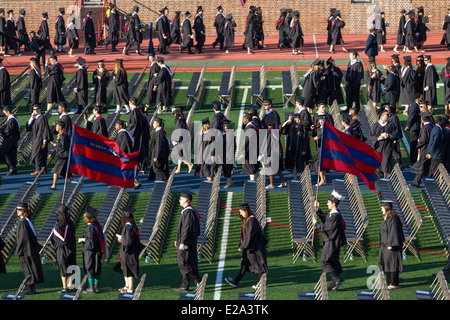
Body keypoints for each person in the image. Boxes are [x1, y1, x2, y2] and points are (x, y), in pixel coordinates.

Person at [225, 203, 268, 288]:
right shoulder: (249, 220)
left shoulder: (251, 220)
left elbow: (250, 235)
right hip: (251, 247)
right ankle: (235, 281)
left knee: (259, 265)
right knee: (245, 264)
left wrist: (243, 246)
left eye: (241, 212)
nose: (240, 214)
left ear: (246, 211)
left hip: (254, 248)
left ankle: (263, 284)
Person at [313, 191, 346, 291]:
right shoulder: (333, 215)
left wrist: (316, 224)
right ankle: (334, 283)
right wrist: (318, 209)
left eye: (328, 202)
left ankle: (337, 279)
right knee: (332, 261)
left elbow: (326, 227)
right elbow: (326, 219)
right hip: (332, 242)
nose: (327, 204)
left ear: (333, 204)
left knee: (324, 261)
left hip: (331, 242)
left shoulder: (334, 216)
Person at [15, 202, 45, 295]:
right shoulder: (28, 221)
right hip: (30, 249)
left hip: (25, 250)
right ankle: (32, 289)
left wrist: (19, 250)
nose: (17, 211)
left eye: (19, 209)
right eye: (17, 209)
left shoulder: (24, 223)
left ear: (24, 211)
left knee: (28, 269)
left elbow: (23, 239)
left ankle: (31, 289)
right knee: (31, 268)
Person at [175, 191, 202, 292]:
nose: (179, 201)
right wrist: (178, 240)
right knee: (189, 263)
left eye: (181, 199)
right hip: (187, 241)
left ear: (186, 200)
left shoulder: (189, 212)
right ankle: (185, 285)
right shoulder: (188, 211)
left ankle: (198, 281)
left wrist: (183, 242)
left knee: (183, 263)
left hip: (187, 242)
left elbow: (187, 228)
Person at [378, 200, 405, 290]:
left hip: (391, 245)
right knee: (387, 263)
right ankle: (389, 281)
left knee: (393, 263)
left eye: (382, 207)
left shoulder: (394, 218)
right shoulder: (387, 217)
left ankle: (394, 283)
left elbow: (394, 232)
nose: (381, 209)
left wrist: (391, 245)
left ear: (386, 208)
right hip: (385, 245)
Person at [116, 207, 142, 294]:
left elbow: (127, 242)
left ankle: (130, 288)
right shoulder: (133, 227)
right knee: (125, 268)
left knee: (129, 269)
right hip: (131, 251)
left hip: (128, 252)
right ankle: (126, 286)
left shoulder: (127, 228)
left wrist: (121, 240)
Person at [78, 206, 104, 294]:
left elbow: (91, 242)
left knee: (90, 268)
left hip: (91, 252)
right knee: (97, 268)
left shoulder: (90, 228)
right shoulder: (97, 226)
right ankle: (97, 287)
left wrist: (82, 239)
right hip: (98, 251)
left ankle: (91, 288)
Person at [52, 204, 76, 293]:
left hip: (62, 250)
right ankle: (70, 286)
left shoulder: (58, 226)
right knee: (70, 266)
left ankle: (65, 287)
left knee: (63, 267)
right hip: (71, 248)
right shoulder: (70, 223)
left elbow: (56, 239)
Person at [369, 110, 398, 178]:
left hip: (387, 146)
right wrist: (378, 138)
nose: (388, 116)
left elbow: (396, 133)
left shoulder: (391, 124)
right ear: (382, 115)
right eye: (386, 115)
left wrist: (389, 135)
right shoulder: (375, 125)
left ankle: (386, 178)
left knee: (386, 162)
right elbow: (371, 135)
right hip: (378, 146)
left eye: (388, 115)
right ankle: (380, 176)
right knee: (377, 163)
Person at [280, 113, 309, 180]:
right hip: (292, 148)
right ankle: (295, 178)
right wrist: (287, 121)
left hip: (300, 148)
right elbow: (281, 129)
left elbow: (305, 139)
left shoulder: (303, 127)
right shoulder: (290, 126)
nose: (299, 121)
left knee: (301, 164)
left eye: (299, 120)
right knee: (294, 164)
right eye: (297, 120)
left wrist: (304, 149)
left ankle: (303, 178)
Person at [26, 105, 53, 175]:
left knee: (37, 153)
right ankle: (44, 169)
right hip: (36, 139)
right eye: (34, 109)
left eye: (37, 109)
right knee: (40, 153)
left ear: (40, 109)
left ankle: (38, 169)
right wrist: (31, 118)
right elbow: (28, 128)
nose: (35, 111)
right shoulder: (34, 118)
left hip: (41, 139)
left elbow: (45, 129)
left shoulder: (42, 118)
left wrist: (45, 139)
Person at [410, 112, 435, 187]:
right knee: (427, 165)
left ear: (422, 119)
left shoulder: (425, 128)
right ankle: (416, 181)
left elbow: (423, 140)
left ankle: (416, 182)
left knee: (422, 164)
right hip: (430, 148)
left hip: (425, 148)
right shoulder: (431, 126)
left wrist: (418, 142)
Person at [48, 120, 72, 190]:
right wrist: (52, 154)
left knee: (56, 170)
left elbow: (63, 146)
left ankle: (54, 185)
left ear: (60, 127)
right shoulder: (59, 135)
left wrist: (56, 144)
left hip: (63, 156)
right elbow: (58, 146)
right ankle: (74, 183)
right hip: (60, 155)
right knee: (65, 172)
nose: (56, 127)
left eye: (57, 126)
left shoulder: (64, 135)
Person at [128, 98, 150, 173]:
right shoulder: (138, 112)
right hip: (141, 134)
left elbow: (134, 123)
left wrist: (128, 128)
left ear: (131, 103)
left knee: (139, 150)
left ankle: (141, 167)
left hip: (137, 135)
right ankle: (142, 167)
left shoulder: (135, 111)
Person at [0, 106, 20, 176]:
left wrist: (1, 129)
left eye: (5, 112)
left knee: (6, 153)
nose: (4, 114)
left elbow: (8, 131)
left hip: (11, 140)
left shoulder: (12, 120)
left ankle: (12, 168)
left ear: (8, 111)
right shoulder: (12, 119)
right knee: (11, 154)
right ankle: (13, 169)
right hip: (12, 140)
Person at [239, 113, 259, 181]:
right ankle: (254, 181)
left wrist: (243, 151)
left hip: (250, 150)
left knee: (251, 168)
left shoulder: (250, 128)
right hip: (253, 149)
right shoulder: (253, 125)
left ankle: (253, 182)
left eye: (243, 119)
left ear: (247, 119)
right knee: (252, 168)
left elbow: (246, 141)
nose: (243, 121)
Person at [404, 93, 422, 165]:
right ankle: (413, 159)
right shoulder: (415, 106)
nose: (422, 98)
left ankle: (413, 158)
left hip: (415, 127)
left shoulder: (415, 105)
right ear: (417, 98)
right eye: (421, 97)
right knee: (414, 144)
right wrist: (408, 125)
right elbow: (412, 116)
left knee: (414, 144)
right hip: (415, 128)